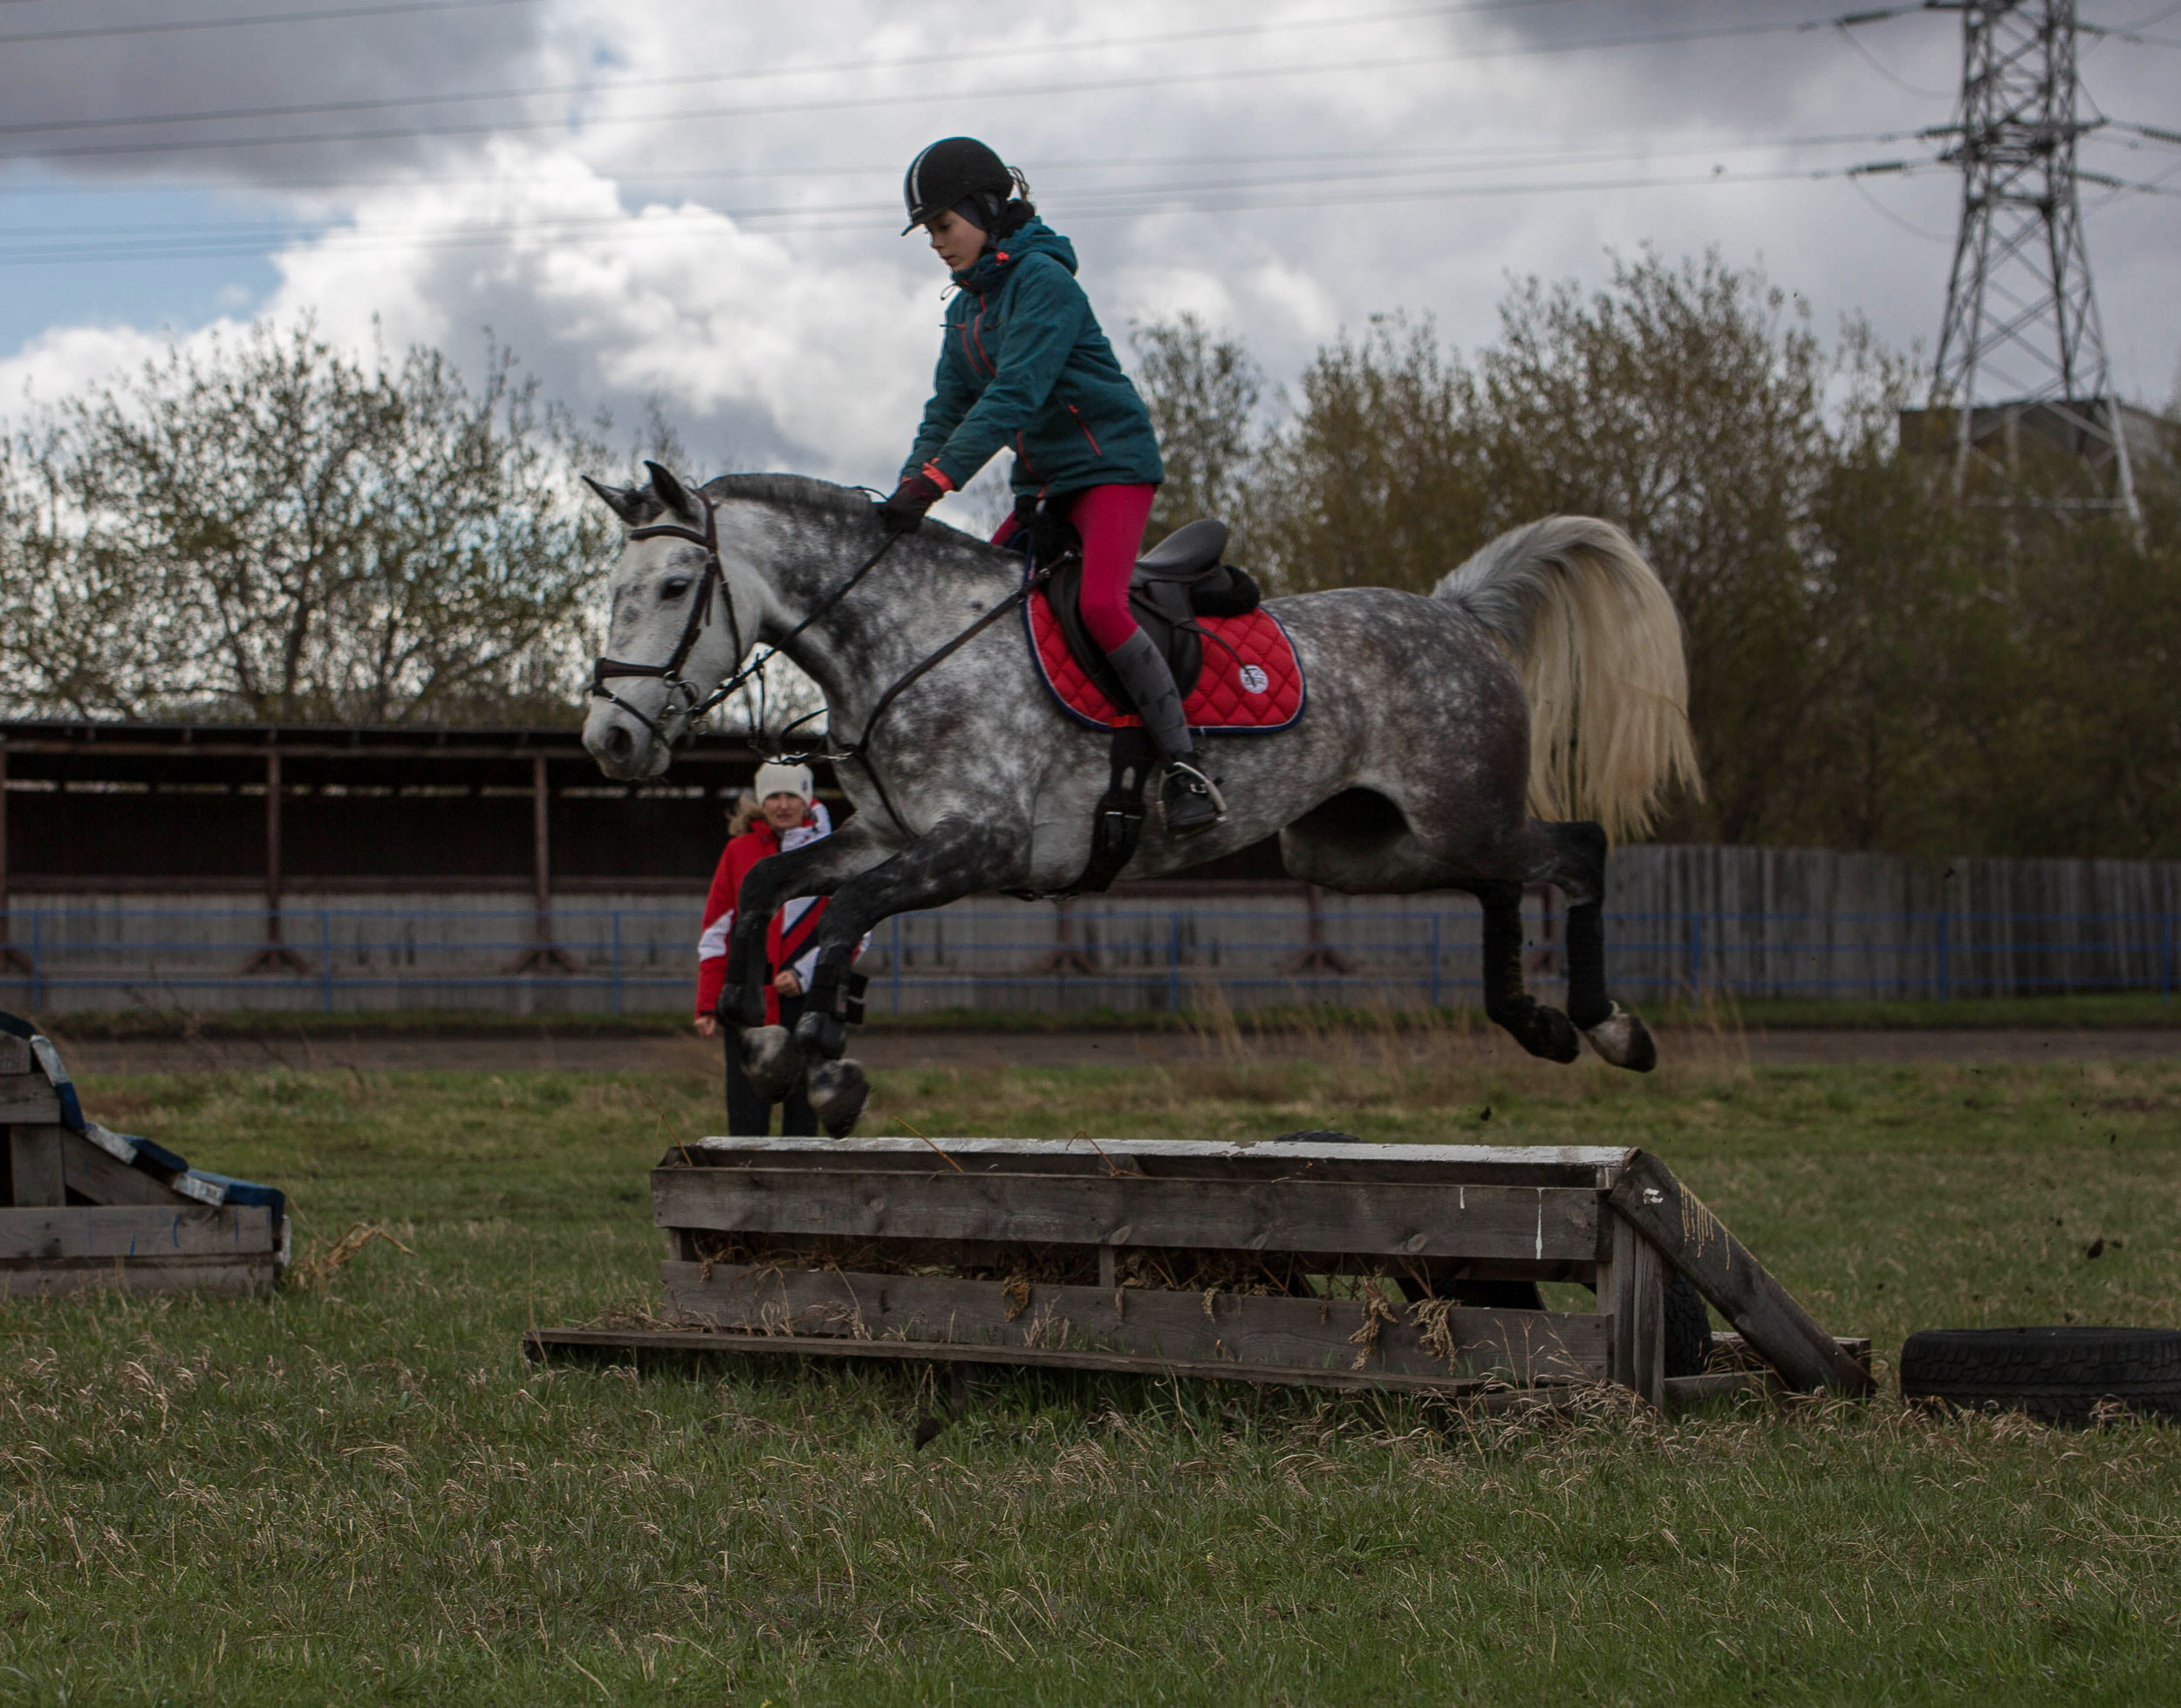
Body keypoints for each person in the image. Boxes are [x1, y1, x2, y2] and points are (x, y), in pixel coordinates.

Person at [877, 135, 1227, 838]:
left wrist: (939, 481)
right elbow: (946, 408)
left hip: (1111, 469)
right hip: (1042, 485)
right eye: (930, 234)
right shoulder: (966, 308)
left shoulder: (1044, 282)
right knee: (978, 602)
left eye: (944, 226)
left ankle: (1188, 764)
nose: (938, 244)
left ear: (982, 209)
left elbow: (1013, 395)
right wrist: (908, 487)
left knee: (1099, 605)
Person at [694, 762, 832, 1136]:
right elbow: (716, 930)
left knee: (803, 1116)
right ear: (761, 802)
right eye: (774, 796)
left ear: (807, 799)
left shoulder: (831, 852)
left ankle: (799, 1191)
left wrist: (804, 974)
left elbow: (853, 931)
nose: (783, 805)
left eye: (792, 796)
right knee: (746, 1113)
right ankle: (745, 1188)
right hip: (747, 1002)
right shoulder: (739, 851)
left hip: (806, 1004)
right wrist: (708, 1002)